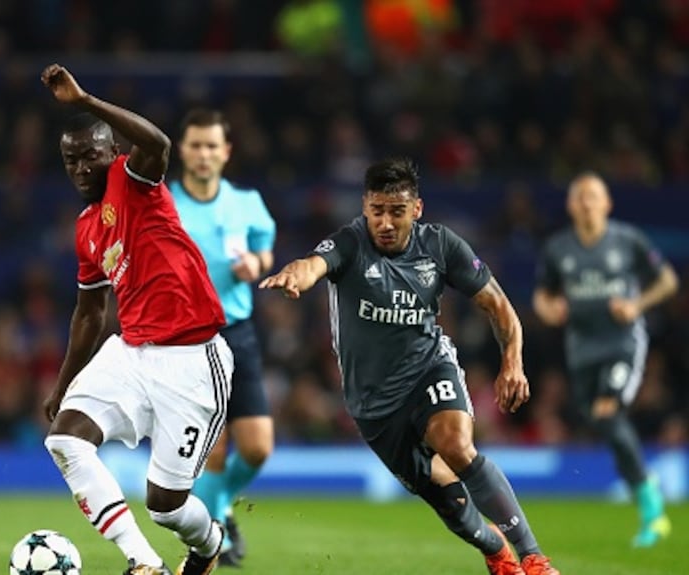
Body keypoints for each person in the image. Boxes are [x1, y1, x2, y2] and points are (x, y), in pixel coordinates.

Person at [259, 158, 560, 575]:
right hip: (374, 405)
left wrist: (513, 363)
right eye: (377, 211)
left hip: (428, 369)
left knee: (455, 443)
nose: (385, 222)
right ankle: (497, 550)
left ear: (416, 209)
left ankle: (533, 557)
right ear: (365, 207)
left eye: (396, 212)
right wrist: (296, 274)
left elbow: (499, 306)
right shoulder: (349, 242)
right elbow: (314, 264)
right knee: (452, 505)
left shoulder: (441, 246)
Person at [40, 63, 234, 575]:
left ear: (113, 155)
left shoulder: (134, 182)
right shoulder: (86, 229)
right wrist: (65, 382)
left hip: (193, 360)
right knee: (64, 439)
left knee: (166, 507)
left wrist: (85, 101)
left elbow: (160, 144)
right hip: (130, 353)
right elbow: (89, 312)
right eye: (70, 161)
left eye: (90, 157)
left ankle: (209, 542)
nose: (81, 169)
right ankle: (144, 564)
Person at [533, 172, 678, 548]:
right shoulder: (558, 249)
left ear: (607, 203)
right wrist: (550, 310)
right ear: (569, 205)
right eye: (578, 196)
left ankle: (651, 504)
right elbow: (543, 296)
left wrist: (636, 305)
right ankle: (643, 484)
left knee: (608, 409)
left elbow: (667, 281)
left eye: (592, 196)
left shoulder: (626, 241)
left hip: (622, 343)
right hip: (581, 349)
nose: (585, 203)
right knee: (596, 417)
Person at [169, 109, 276, 567]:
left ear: (226, 152)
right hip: (188, 337)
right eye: (195, 144)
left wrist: (257, 264)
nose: (204, 153)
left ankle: (222, 504)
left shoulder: (246, 203)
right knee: (212, 446)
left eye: (212, 145)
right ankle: (214, 533)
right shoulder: (165, 204)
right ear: (182, 150)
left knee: (257, 447)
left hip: (238, 331)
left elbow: (265, 248)